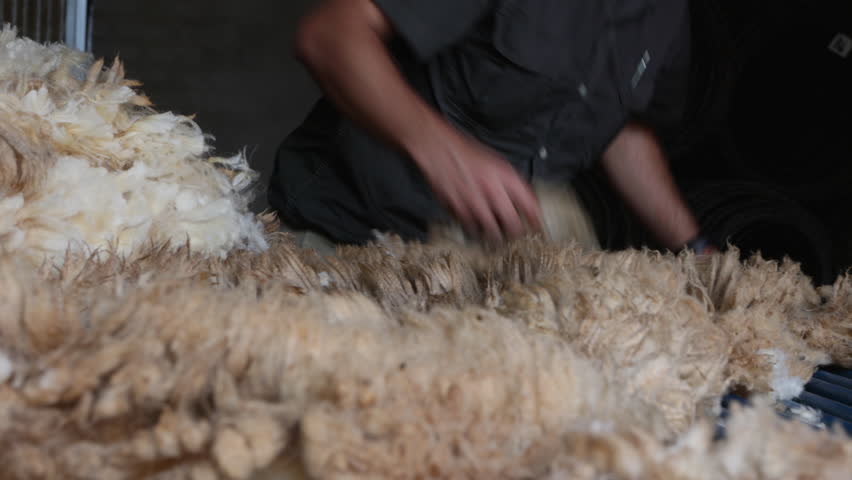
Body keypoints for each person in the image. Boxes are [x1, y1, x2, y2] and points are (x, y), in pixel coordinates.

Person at [267, 0, 717, 255]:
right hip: (347, 240)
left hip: (481, 274)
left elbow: (625, 129)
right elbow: (330, 36)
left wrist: (693, 245)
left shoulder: (667, 17)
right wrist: (444, 153)